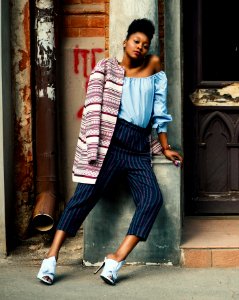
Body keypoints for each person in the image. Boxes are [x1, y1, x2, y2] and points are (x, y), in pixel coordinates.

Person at [37, 18, 183, 286]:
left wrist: (165, 146)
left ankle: (115, 259)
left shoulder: (154, 69)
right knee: (84, 197)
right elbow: (92, 109)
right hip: (111, 144)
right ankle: (51, 258)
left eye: (145, 44)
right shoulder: (106, 68)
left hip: (138, 148)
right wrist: (93, 145)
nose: (140, 47)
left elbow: (160, 112)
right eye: (136, 41)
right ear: (125, 42)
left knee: (152, 200)